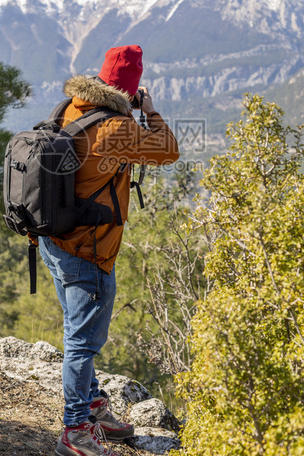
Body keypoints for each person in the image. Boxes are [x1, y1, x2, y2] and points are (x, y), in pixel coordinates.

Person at [39, 44, 179, 456]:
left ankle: (95, 406)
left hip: (54, 239)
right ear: (132, 89)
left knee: (76, 329)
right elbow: (168, 150)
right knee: (82, 342)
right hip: (89, 251)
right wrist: (149, 111)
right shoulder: (118, 128)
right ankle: (75, 428)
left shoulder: (70, 107)